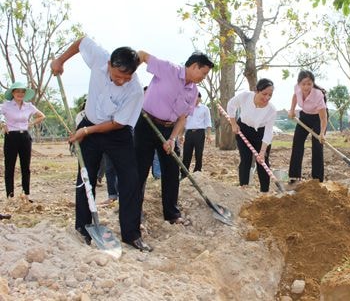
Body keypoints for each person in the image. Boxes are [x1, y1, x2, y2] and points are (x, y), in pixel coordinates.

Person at [50, 37, 152, 252]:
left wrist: (86, 131)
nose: (122, 81)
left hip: (117, 133)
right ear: (109, 65)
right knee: (85, 176)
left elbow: (117, 123)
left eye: (127, 77)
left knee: (130, 180)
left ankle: (131, 234)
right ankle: (84, 228)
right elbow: (81, 42)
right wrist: (60, 61)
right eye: (117, 76)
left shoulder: (134, 91)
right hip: (89, 125)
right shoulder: (99, 58)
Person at [135, 50, 214, 225]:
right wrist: (129, 76)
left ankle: (171, 213)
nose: (204, 77)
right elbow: (142, 55)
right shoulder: (168, 69)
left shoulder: (193, 92)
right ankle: (134, 212)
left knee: (172, 170)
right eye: (204, 72)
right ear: (194, 66)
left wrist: (172, 139)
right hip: (146, 123)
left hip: (169, 130)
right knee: (140, 171)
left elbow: (182, 118)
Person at [227, 78, 277, 192]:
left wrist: (262, 152)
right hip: (243, 129)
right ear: (257, 91)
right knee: (246, 159)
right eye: (264, 94)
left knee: (263, 161)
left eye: (270, 95)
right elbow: (231, 105)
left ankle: (264, 191)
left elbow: (269, 132)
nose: (267, 98)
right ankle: (243, 187)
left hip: (261, 134)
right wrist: (233, 124)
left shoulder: (272, 110)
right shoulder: (245, 96)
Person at [1, 82, 46, 202]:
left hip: (24, 137)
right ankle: (9, 195)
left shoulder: (29, 106)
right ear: (13, 93)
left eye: (22, 92)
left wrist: (31, 123)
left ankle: (26, 194)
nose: (20, 94)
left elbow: (42, 116)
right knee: (9, 166)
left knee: (25, 167)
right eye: (17, 91)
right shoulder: (6, 106)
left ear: (25, 94)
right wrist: (2, 123)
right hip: (11, 136)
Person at [288, 70, 327, 183]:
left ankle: (317, 179)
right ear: (299, 83)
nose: (306, 87)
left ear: (313, 83)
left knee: (317, 146)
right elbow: (295, 96)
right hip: (304, 116)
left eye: (309, 84)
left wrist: (322, 133)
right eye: (303, 84)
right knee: (297, 144)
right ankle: (294, 177)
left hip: (318, 118)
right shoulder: (297, 88)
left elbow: (323, 118)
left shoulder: (318, 95)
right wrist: (291, 110)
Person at [180, 92, 212, 179]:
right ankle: (184, 173)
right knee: (186, 153)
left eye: (197, 98)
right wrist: (181, 135)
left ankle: (197, 172)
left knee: (199, 153)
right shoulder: (187, 108)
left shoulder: (205, 109)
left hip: (200, 133)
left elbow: (208, 122)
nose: (195, 100)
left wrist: (208, 135)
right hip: (189, 133)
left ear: (200, 98)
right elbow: (183, 122)